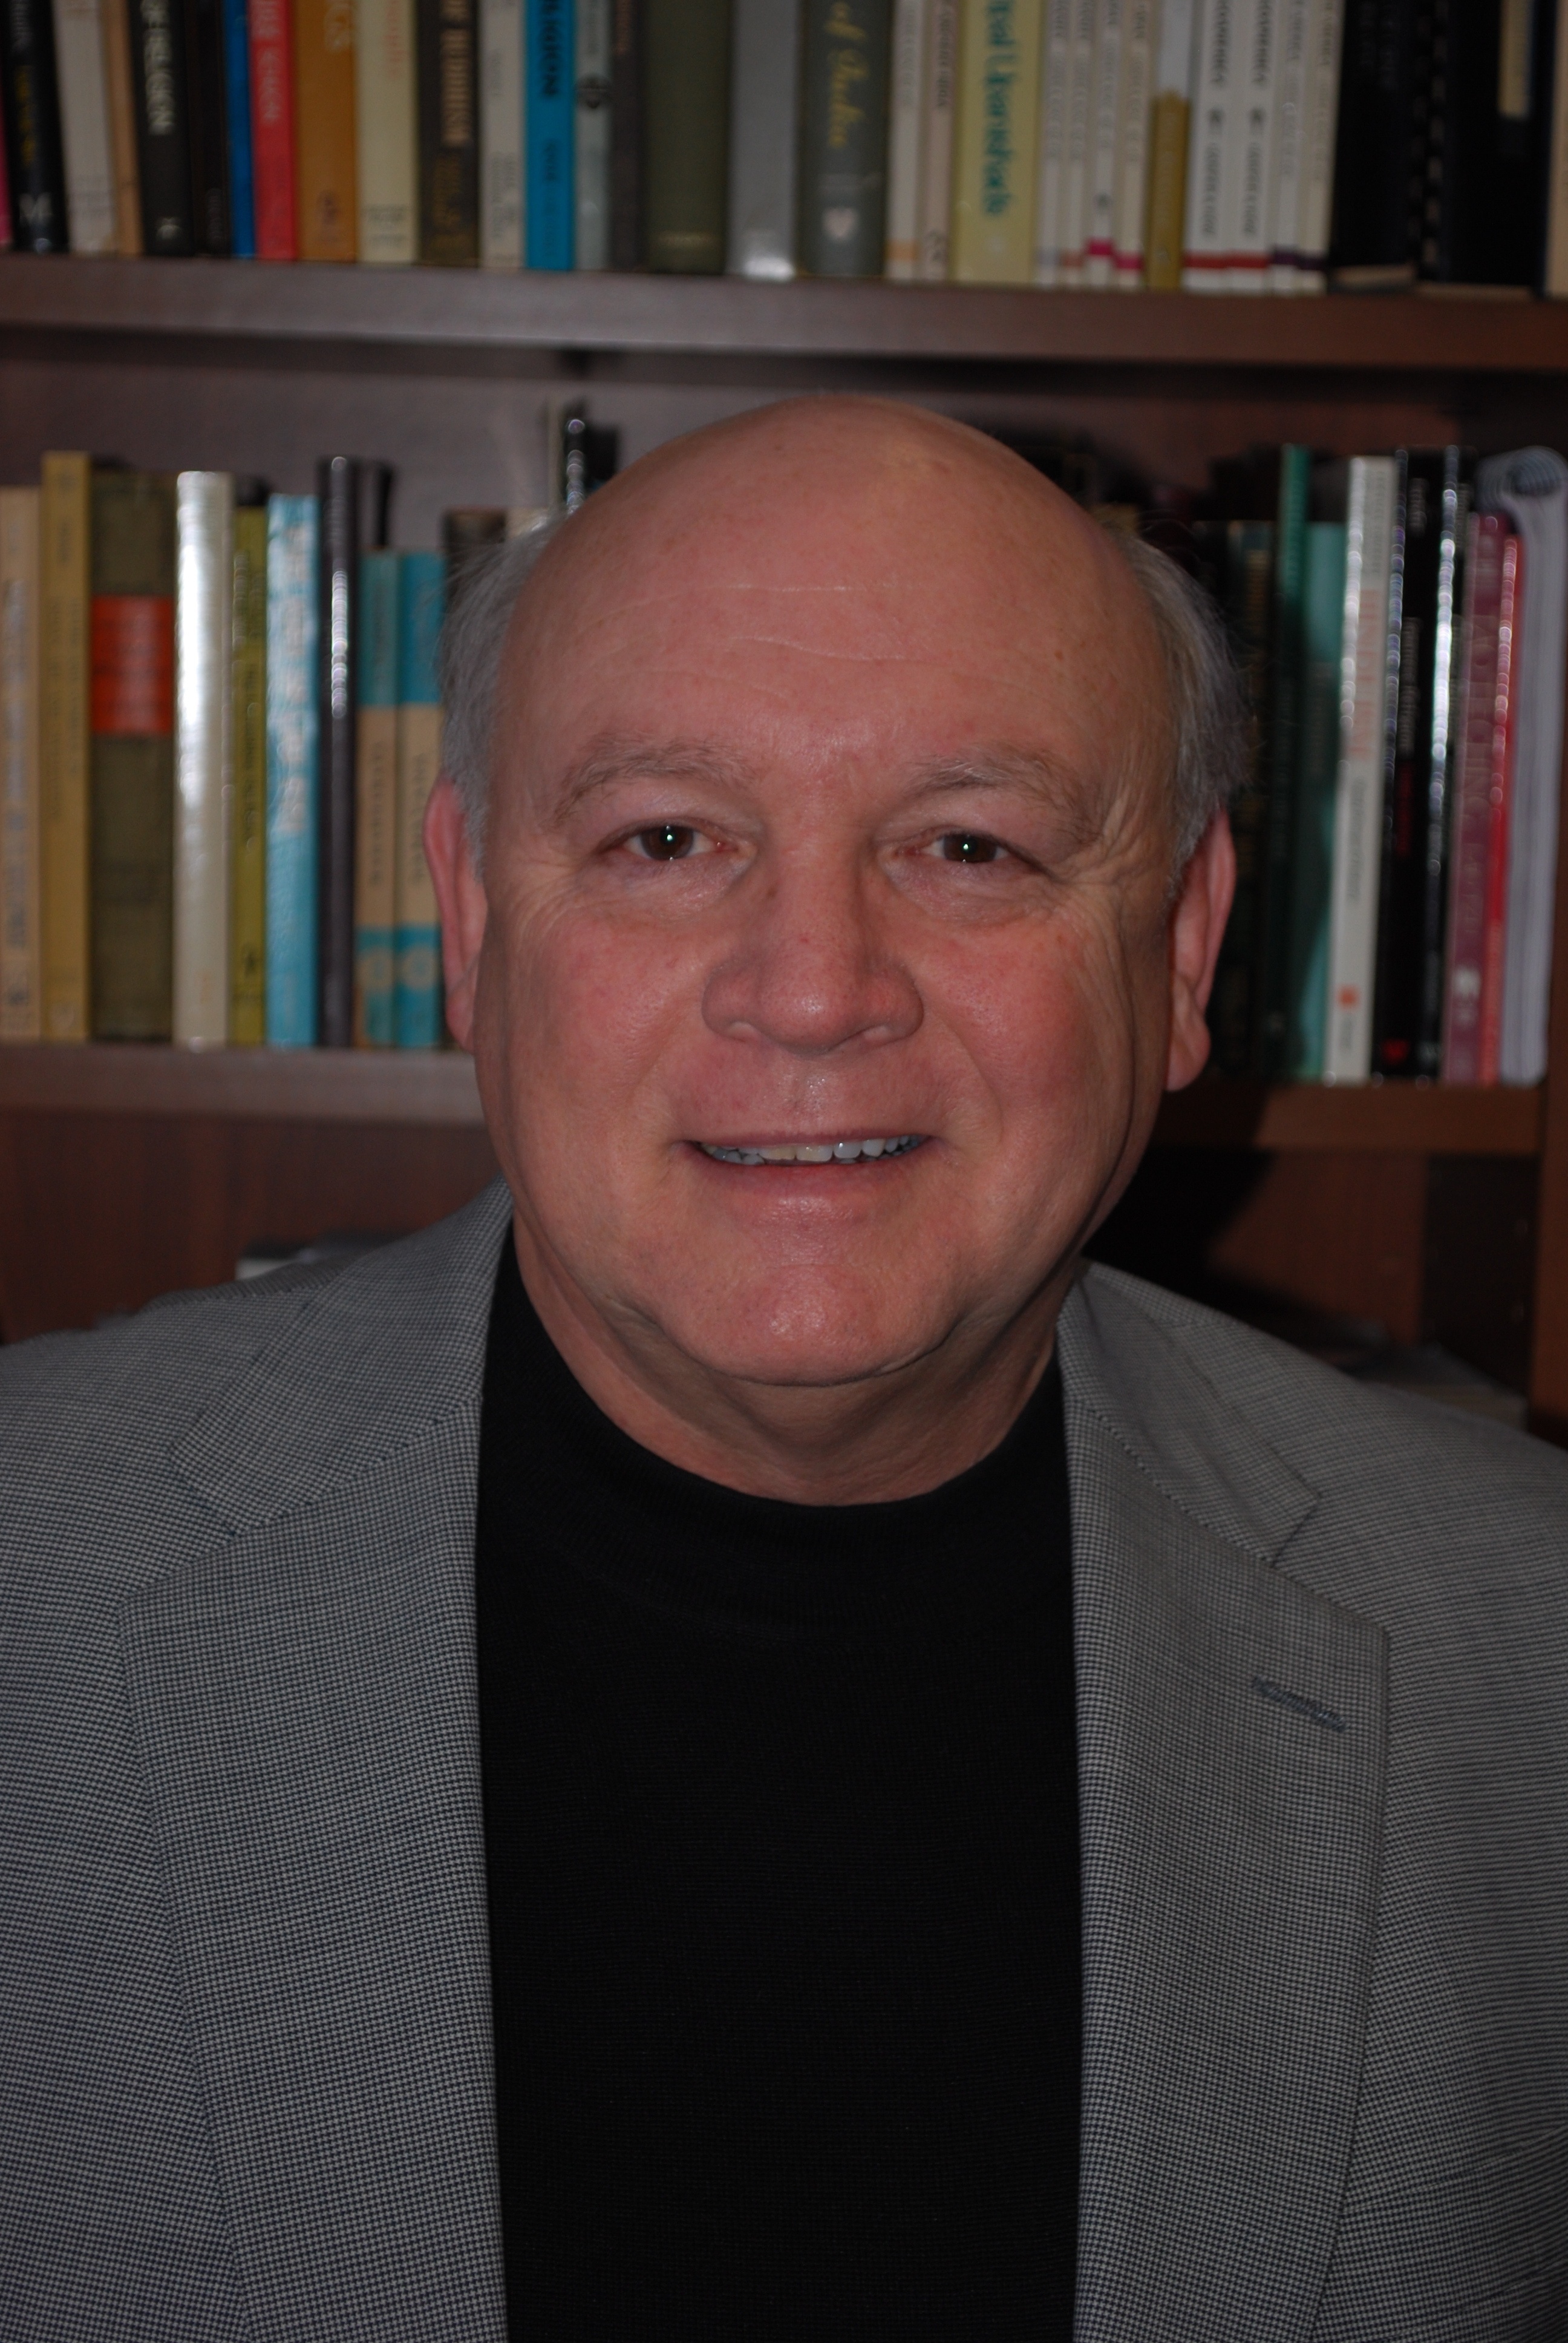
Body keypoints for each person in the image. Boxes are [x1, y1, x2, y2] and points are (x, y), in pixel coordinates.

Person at [1, 399, 1564, 2343]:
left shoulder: (1530, 1646)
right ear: (473, 918)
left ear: (1182, 948)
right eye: (667, 838)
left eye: (970, 846)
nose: (815, 990)